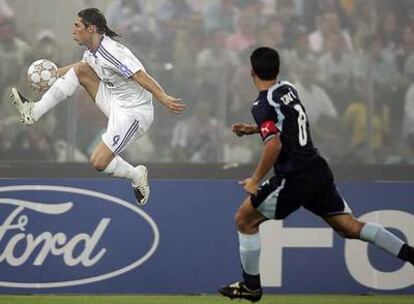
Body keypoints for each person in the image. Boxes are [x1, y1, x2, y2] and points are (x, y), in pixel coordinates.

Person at [218, 47, 414, 302]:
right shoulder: (288, 89)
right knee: (349, 226)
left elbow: (274, 144)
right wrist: (255, 129)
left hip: (293, 177)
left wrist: (255, 179)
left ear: (251, 72)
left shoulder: (262, 104)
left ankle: (251, 287)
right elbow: (286, 122)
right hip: (317, 170)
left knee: (244, 219)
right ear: (278, 69)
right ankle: (410, 254)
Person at [9, 8, 185, 206]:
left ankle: (137, 175)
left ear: (91, 28)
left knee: (99, 162)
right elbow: (78, 68)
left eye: (77, 25)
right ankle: (34, 111)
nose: (73, 30)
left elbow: (140, 75)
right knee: (81, 70)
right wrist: (52, 75)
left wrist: (162, 97)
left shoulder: (112, 52)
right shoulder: (92, 52)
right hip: (116, 102)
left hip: (135, 114)